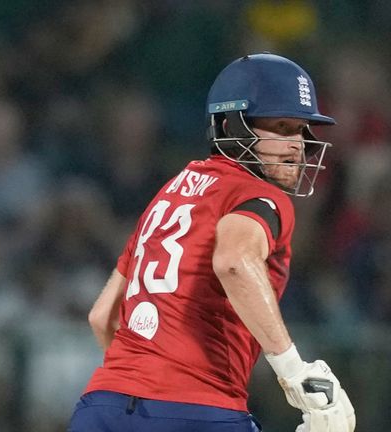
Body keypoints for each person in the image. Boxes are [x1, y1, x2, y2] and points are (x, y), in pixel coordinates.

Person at [68, 53, 356, 432]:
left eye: (302, 130)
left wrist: (142, 380)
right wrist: (296, 373)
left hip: (102, 407)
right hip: (197, 409)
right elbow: (234, 262)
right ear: (230, 124)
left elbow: (102, 316)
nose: (297, 145)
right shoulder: (258, 196)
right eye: (282, 127)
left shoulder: (169, 194)